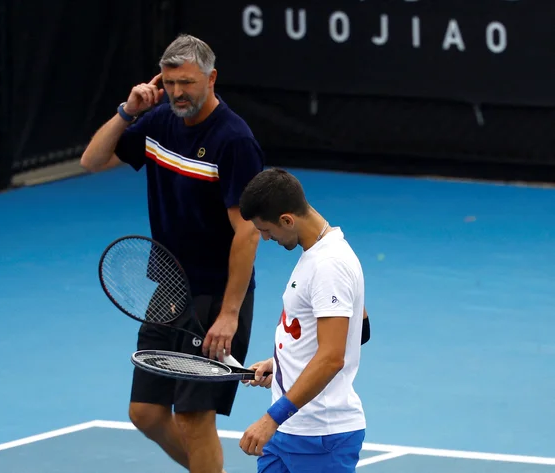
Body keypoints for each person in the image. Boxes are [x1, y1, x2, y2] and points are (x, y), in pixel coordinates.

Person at [80, 34, 264, 473]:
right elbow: (92, 160)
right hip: (170, 289)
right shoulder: (158, 121)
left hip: (217, 296)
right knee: (144, 412)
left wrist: (229, 314)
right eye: (170, 82)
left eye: (187, 82)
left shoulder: (233, 140)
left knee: (193, 417)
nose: (178, 92)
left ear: (211, 78)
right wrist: (128, 113)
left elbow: (248, 233)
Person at [236, 168, 367, 473]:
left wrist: (271, 419)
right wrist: (282, 363)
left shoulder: (329, 265)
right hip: (289, 431)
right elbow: (357, 331)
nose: (265, 238)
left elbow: (333, 357)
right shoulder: (317, 255)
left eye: (266, 230)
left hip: (321, 436)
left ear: (287, 220)